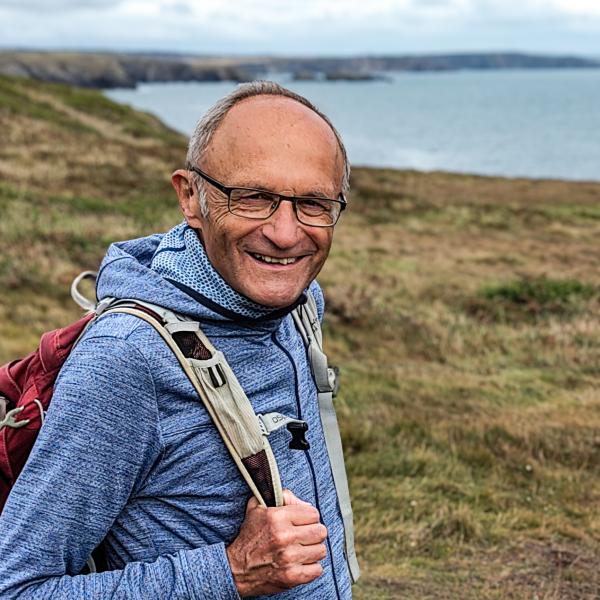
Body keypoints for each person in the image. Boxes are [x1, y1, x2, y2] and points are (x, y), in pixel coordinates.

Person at [0, 81, 357, 599]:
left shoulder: (299, 306)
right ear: (190, 197)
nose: (285, 234)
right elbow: (16, 587)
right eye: (253, 198)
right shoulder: (127, 359)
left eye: (313, 203)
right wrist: (231, 571)